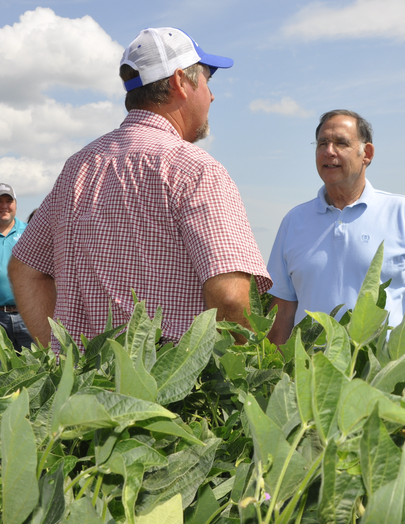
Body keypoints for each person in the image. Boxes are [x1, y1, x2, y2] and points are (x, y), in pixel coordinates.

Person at [9, 27, 271, 351]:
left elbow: (24, 270)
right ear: (180, 82)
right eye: (207, 78)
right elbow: (230, 298)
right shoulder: (196, 170)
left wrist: (62, 358)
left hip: (79, 392)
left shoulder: (76, 169)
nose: (212, 95)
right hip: (169, 395)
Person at [267, 109, 405, 346]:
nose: (328, 151)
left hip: (384, 376)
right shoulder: (293, 221)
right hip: (312, 376)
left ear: (367, 153)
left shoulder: (403, 212)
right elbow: (282, 311)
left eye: (341, 143)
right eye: (322, 143)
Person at [0, 183, 34, 351]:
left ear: (15, 204)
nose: (4, 206)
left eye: (8, 201)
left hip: (28, 316)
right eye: (0, 201)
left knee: (34, 370)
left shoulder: (30, 233)